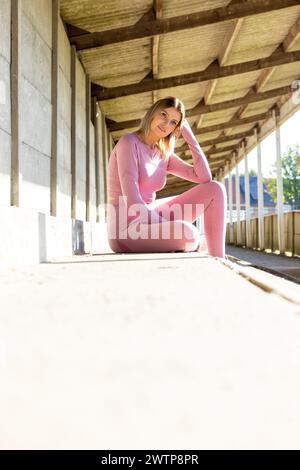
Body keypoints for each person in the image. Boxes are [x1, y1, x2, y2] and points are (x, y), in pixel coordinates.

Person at [106, 96, 227, 258]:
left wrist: (190, 136)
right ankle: (197, 243)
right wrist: (170, 226)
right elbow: (134, 204)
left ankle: (219, 257)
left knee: (215, 189)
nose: (166, 124)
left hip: (151, 219)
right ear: (153, 112)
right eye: (164, 115)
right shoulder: (128, 143)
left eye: (173, 122)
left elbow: (204, 177)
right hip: (127, 230)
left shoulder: (163, 153)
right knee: (188, 233)